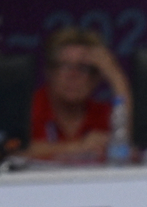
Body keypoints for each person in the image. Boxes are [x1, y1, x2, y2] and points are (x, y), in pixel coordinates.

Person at [30, 27, 130, 161]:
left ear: (95, 78)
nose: (73, 75)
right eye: (65, 66)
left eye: (82, 68)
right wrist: (78, 147)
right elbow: (13, 150)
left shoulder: (103, 114)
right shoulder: (28, 108)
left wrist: (116, 77)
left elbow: (127, 142)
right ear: (49, 72)